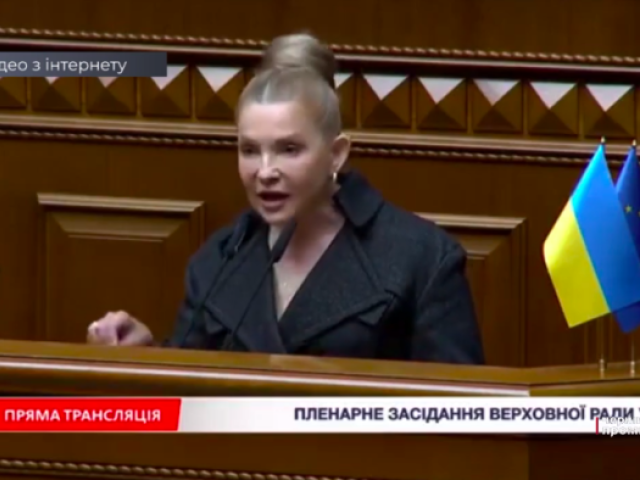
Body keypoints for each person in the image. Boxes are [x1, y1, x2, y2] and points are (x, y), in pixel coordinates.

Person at [87, 33, 485, 365]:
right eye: (249, 150)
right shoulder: (218, 261)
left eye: (288, 149)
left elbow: (461, 413)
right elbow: (193, 394)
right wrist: (147, 355)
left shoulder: (421, 259)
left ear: (336, 153)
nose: (265, 171)